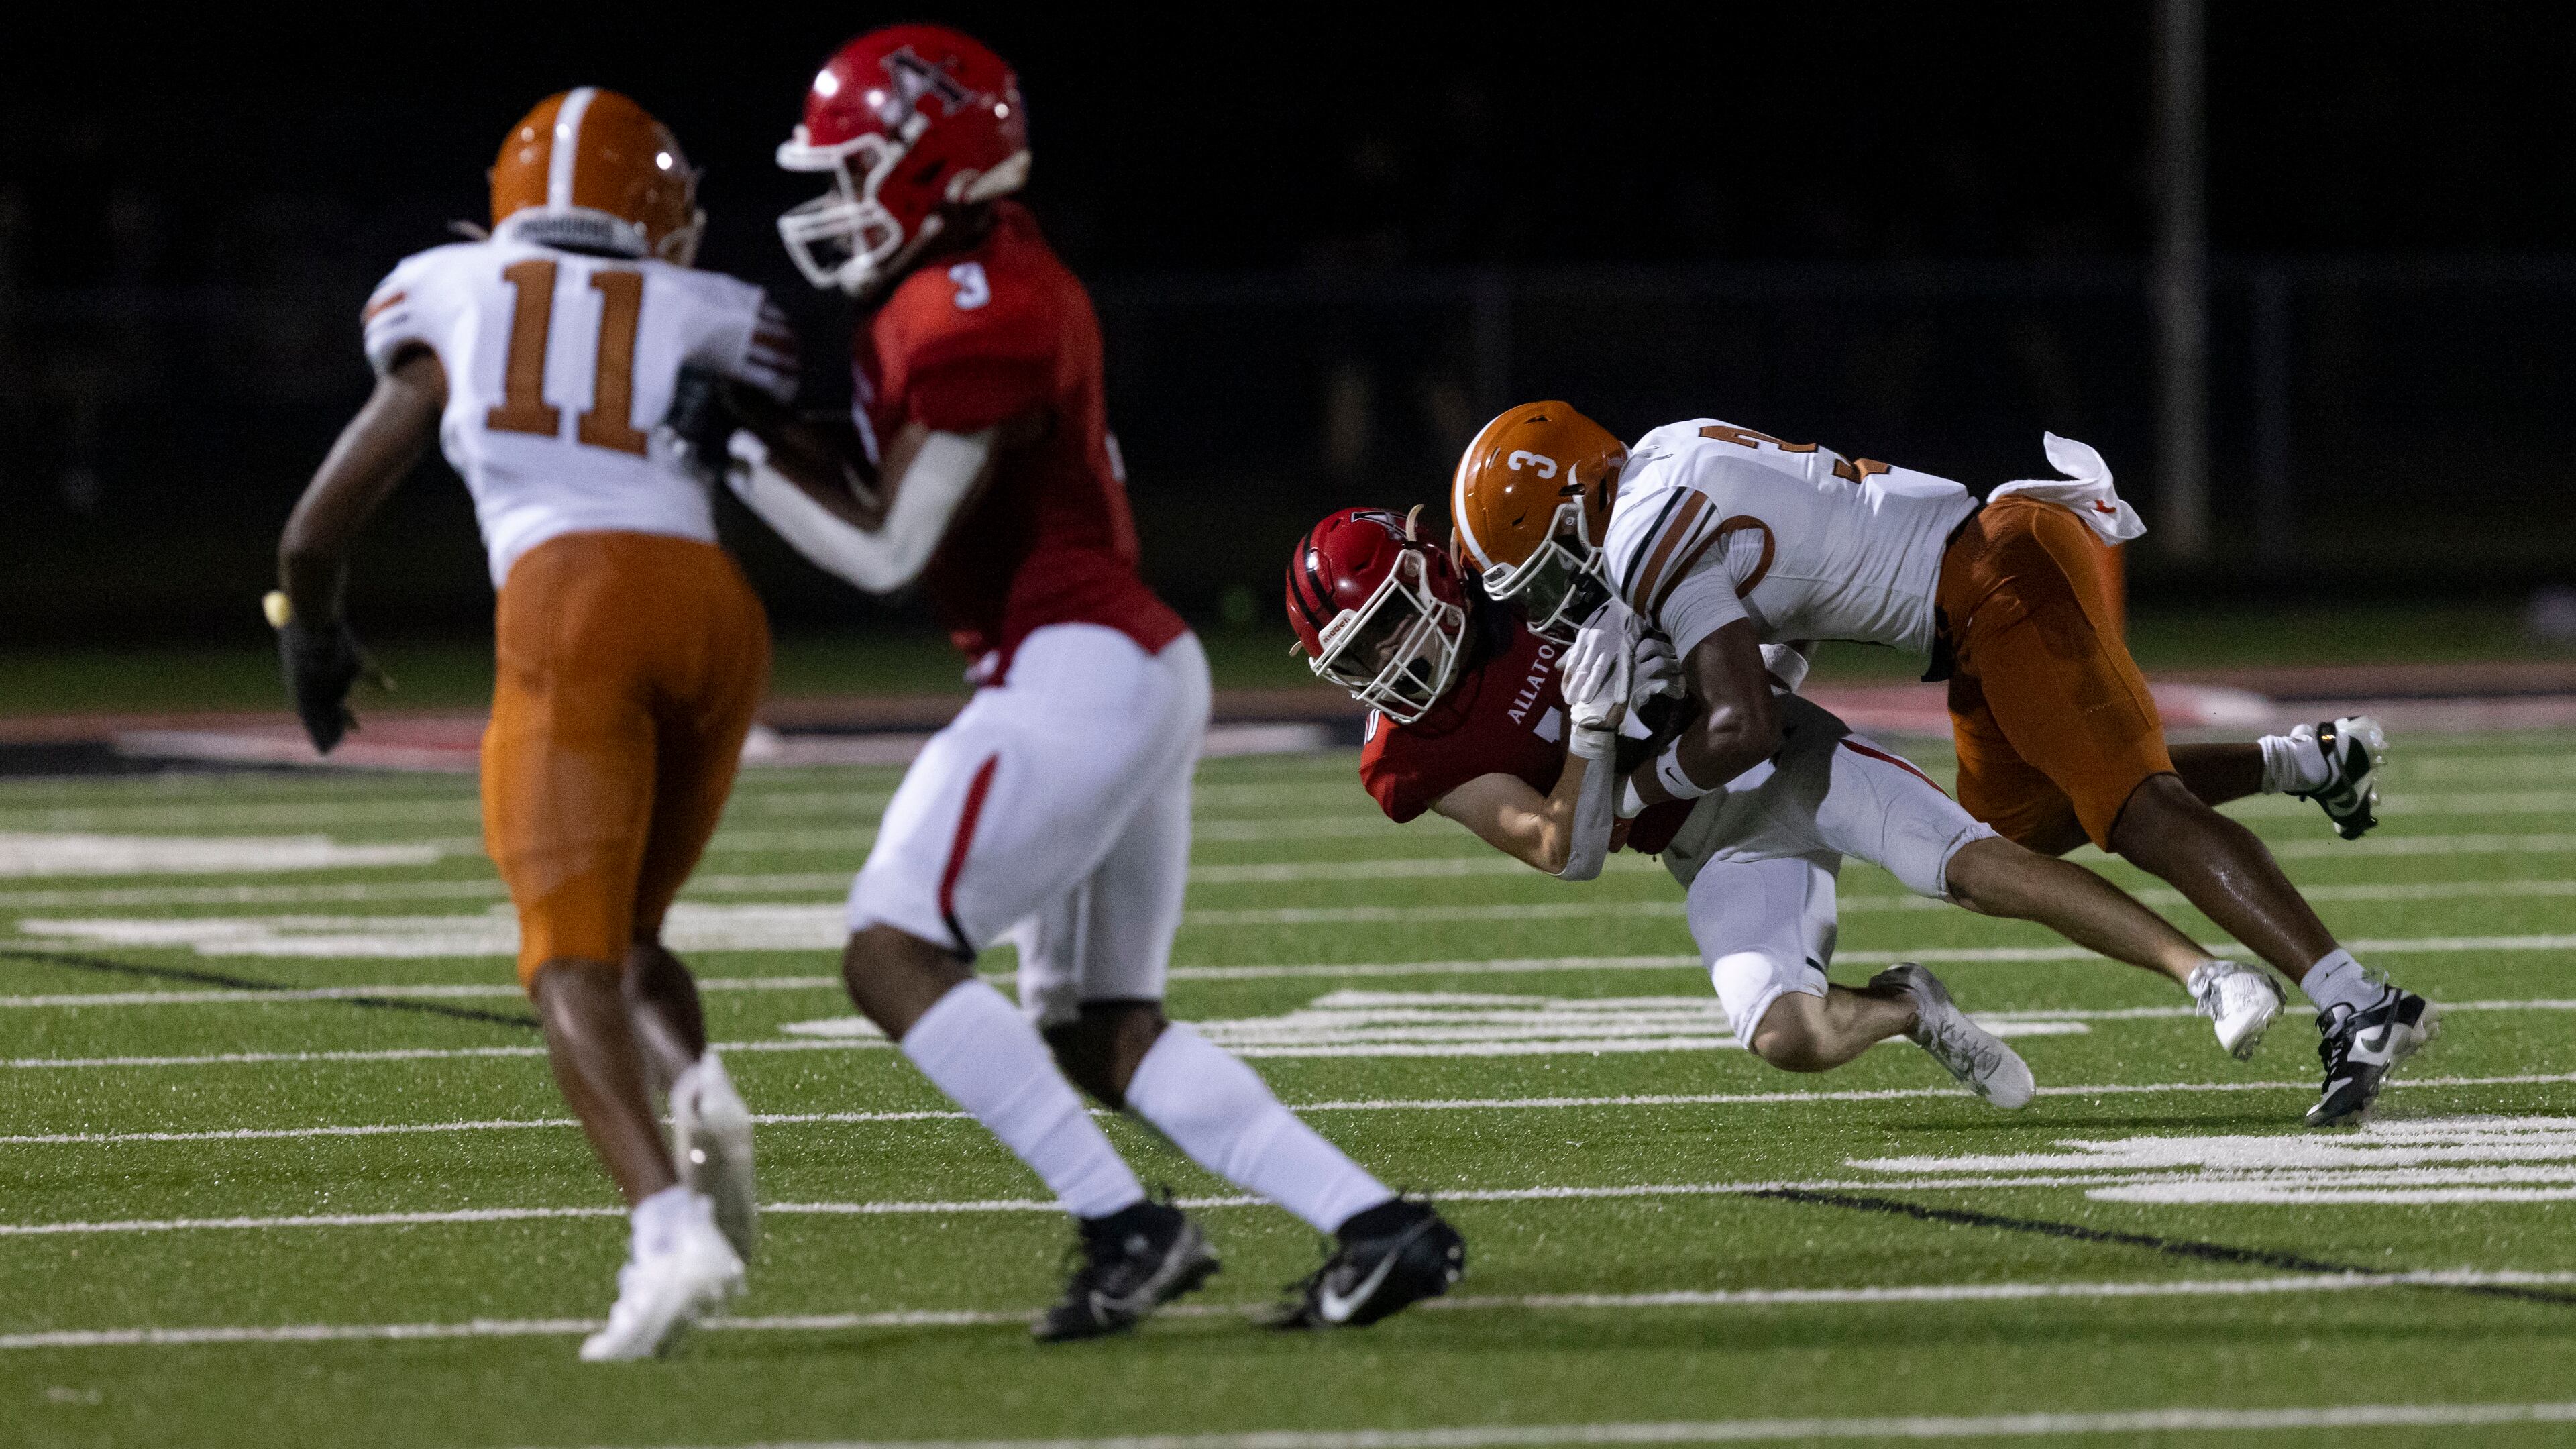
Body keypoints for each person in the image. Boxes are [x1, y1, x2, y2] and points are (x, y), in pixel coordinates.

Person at [682, 25, 1461, 1339]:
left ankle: (1127, 1227)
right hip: (1120, 663)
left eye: (857, 167)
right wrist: (769, 431)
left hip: (1073, 660)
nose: (834, 200)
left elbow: (884, 546)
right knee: (1097, 1028)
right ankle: (1377, 1224)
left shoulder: (976, 308)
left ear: (932, 159)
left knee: (889, 951)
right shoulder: (972, 281)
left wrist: (736, 453)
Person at [1450, 402, 2432, 1128]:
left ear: (1577, 499)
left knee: (2133, 808)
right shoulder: (1668, 456)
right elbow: (1790, 620)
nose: (1551, 596)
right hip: (1976, 597)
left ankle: (2358, 1000)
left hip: (1996, 578)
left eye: (1544, 562)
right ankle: (2300, 764)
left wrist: (1632, 790)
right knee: (2031, 820)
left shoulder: (1642, 534)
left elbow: (1746, 731)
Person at [270, 89, 783, 1359]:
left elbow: (316, 527)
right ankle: (701, 1093)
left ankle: (666, 1228)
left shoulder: (452, 291)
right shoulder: (710, 309)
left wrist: (313, 635)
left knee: (566, 956)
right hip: (719, 611)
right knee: (635, 934)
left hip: (570, 602)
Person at [1290, 507, 2284, 1097]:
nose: (1390, 663)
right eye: (1362, 658)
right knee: (1786, 1036)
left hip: (1780, 755)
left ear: (1434, 580)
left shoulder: (1517, 570)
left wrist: (1710, 646)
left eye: (1387, 630)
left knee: (1975, 869)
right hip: (1704, 841)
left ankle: (2204, 976)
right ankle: (1908, 1008)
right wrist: (1590, 732)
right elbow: (1564, 848)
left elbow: (1680, 570)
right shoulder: (1406, 756)